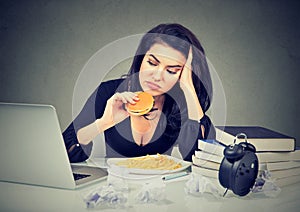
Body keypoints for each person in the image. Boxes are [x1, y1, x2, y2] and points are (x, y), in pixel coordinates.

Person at [63, 23, 215, 163]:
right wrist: (103, 123)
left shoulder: (180, 102)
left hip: (161, 186)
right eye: (152, 63)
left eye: (171, 71)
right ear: (141, 59)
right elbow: (66, 153)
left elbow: (199, 159)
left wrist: (188, 86)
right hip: (114, 185)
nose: (157, 76)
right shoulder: (109, 92)